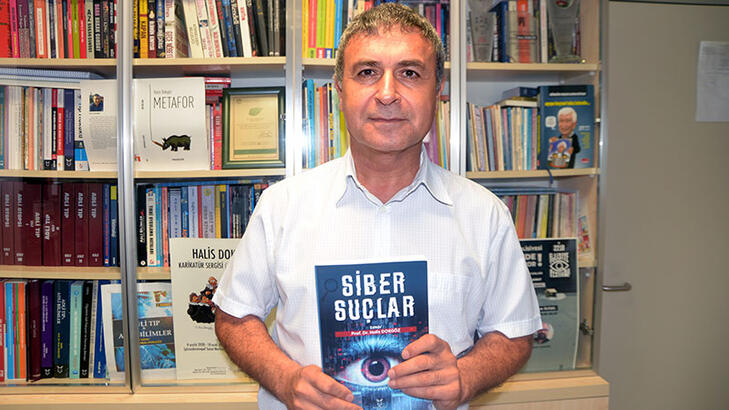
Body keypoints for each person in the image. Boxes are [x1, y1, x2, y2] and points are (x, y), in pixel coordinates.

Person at [213, 4, 541, 409]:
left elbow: (514, 333)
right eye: (367, 72)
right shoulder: (281, 206)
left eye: (410, 73)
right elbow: (234, 318)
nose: (387, 94)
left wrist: (466, 377)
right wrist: (285, 379)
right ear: (340, 90)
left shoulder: (485, 215)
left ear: (437, 90)